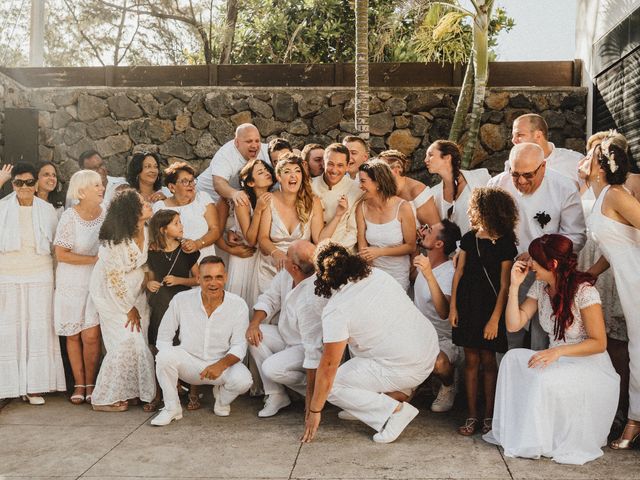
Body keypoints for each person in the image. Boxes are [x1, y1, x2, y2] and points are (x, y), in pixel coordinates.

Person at [486, 234, 619, 465]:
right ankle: (519, 430)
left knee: (543, 379)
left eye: (535, 260)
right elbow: (513, 324)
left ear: (553, 264)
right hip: (555, 357)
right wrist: (514, 287)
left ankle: (540, 440)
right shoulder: (540, 287)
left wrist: (558, 352)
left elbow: (599, 343)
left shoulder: (584, 291)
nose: (530, 264)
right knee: (512, 359)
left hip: (587, 363)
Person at [301, 242, 439, 444]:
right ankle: (362, 406)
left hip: (408, 367)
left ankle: (395, 412)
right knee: (358, 343)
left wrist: (315, 410)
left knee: (332, 386)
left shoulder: (336, 309)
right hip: (428, 347)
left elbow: (328, 366)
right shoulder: (377, 275)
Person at [489, 143, 586, 350]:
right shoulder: (497, 184)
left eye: (528, 175)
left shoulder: (564, 188)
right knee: (510, 332)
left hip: (548, 271)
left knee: (542, 333)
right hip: (507, 269)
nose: (521, 181)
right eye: (515, 174)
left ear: (543, 167)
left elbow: (576, 236)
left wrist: (540, 256)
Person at [585, 135, 640, 449]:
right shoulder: (604, 192)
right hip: (627, 280)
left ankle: (635, 419)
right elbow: (618, 240)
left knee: (639, 348)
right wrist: (591, 273)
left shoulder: (618, 194)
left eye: (591, 156)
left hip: (637, 278)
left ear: (600, 166)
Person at [150, 256, 253, 426]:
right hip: (189, 362)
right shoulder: (182, 299)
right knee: (163, 357)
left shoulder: (238, 305)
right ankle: (172, 408)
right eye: (207, 278)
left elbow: (239, 345)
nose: (214, 283)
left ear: (225, 277)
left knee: (244, 381)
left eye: (218, 277)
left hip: (220, 366)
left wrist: (220, 365)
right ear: (198, 278)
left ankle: (221, 399)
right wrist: (169, 369)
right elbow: (163, 337)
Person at [449, 187, 518, 436]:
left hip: (491, 308)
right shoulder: (470, 238)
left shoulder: (507, 244)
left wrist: (495, 319)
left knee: (489, 361)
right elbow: (458, 274)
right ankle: (471, 415)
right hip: (467, 305)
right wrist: (453, 306)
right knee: (471, 361)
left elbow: (504, 286)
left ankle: (489, 416)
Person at [0, 163, 65, 405]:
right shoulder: (3, 207)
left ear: (36, 184)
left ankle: (34, 386)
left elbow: (55, 248)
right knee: (9, 329)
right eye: (19, 183)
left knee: (37, 329)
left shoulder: (47, 210)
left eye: (29, 182)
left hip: (40, 274)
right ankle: (8, 385)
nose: (25, 187)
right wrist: (1, 180)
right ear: (13, 184)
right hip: (8, 274)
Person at [577, 131, 629, 431]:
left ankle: (620, 410)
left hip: (616, 273)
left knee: (616, 344)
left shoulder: (624, 189)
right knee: (588, 339)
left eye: (593, 153)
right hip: (592, 265)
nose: (587, 158)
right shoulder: (587, 186)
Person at [89, 190, 155, 412]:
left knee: (140, 339)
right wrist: (128, 308)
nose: (148, 205)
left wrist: (147, 277)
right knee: (126, 340)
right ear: (132, 211)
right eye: (143, 203)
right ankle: (104, 398)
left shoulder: (146, 230)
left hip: (137, 291)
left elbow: (144, 262)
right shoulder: (115, 240)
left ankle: (132, 391)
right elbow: (114, 279)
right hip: (112, 294)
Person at [246, 240, 325, 417]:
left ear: (296, 267)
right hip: (285, 336)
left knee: (271, 368)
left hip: (307, 347)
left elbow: (316, 345)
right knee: (253, 335)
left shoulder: (318, 289)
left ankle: (321, 391)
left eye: (287, 255)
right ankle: (276, 395)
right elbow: (270, 299)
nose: (283, 257)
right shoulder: (286, 274)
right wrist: (254, 324)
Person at [53, 170, 106, 405]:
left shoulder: (106, 215)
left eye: (101, 184)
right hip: (71, 280)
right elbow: (61, 254)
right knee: (73, 335)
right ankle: (79, 383)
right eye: (95, 185)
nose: (101, 187)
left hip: (95, 281)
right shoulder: (69, 217)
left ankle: (92, 382)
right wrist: (94, 261)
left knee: (92, 335)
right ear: (82, 191)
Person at [413, 219, 462, 413]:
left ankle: (449, 383)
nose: (424, 231)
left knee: (438, 363)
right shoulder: (423, 263)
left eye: (430, 230)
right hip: (419, 335)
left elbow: (444, 312)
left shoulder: (449, 271)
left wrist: (428, 274)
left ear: (439, 244)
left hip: (444, 339)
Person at [257, 153, 323, 294]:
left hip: (301, 271)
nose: (293, 175)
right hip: (272, 267)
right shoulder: (269, 200)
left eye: (297, 171)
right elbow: (262, 238)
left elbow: (318, 239)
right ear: (279, 177)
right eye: (287, 172)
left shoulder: (313, 202)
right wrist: (276, 253)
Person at [356, 159, 416, 291]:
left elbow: (411, 246)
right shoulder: (362, 207)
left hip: (398, 273)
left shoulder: (403, 207)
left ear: (377, 182)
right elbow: (362, 244)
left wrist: (380, 252)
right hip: (371, 272)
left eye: (363, 181)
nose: (359, 186)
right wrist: (369, 271)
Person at [223, 159, 275, 307]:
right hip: (245, 257)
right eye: (260, 172)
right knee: (240, 303)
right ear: (251, 182)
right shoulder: (243, 201)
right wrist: (258, 210)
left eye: (266, 170)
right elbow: (250, 239)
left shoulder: (275, 196)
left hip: (263, 258)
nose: (266, 173)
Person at [153, 162, 220, 260]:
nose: (191, 185)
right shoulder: (160, 208)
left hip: (205, 259)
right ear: (172, 187)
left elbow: (215, 230)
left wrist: (197, 244)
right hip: (176, 261)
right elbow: (157, 237)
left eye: (192, 181)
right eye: (185, 181)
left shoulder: (202, 198)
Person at [424, 140, 491, 235]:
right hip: (454, 249)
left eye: (430, 155)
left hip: (483, 245)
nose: (425, 160)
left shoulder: (481, 177)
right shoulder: (434, 194)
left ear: (447, 157)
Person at [197, 123, 270, 205]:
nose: (254, 145)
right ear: (236, 142)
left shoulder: (266, 151)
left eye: (257, 141)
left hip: (228, 203)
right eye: (249, 141)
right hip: (202, 197)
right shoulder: (226, 154)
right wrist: (235, 194)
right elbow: (218, 183)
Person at [313, 143, 362, 252]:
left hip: (344, 251)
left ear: (347, 166)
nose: (334, 170)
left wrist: (336, 253)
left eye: (340, 165)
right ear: (323, 163)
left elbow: (353, 232)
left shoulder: (356, 190)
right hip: (313, 250)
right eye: (330, 164)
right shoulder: (310, 186)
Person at [511, 113, 583, 186]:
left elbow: (589, 194)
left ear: (538, 135)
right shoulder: (511, 166)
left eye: (519, 135)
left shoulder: (575, 161)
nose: (513, 140)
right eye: (513, 136)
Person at [379, 149, 439, 228]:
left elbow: (436, 229)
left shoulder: (417, 190)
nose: (377, 174)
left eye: (381, 170)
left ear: (397, 169)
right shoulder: (381, 190)